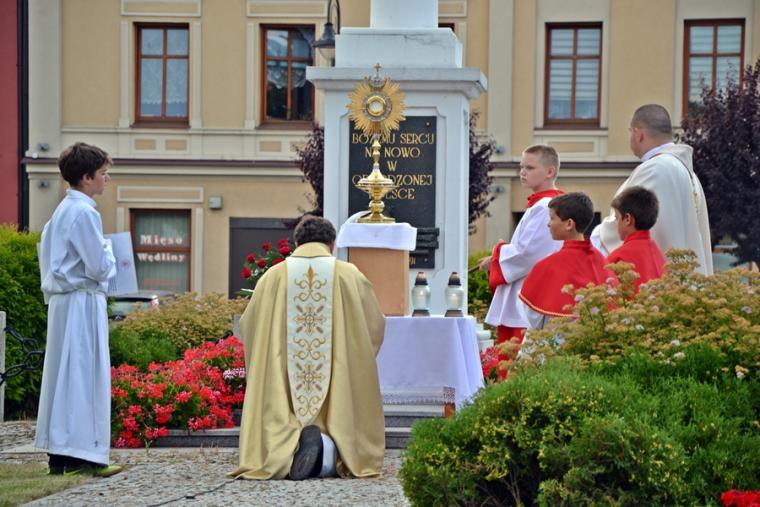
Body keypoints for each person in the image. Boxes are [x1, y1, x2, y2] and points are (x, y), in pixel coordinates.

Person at [230, 216, 386, 480]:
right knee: (338, 410)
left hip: (285, 381)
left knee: (282, 407)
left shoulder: (273, 277)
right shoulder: (349, 275)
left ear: (296, 243)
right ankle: (329, 448)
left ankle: (291, 447)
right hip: (336, 383)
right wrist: (354, 351)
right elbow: (373, 324)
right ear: (332, 244)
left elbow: (250, 326)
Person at [35, 142, 122, 477]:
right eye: (102, 173)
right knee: (84, 374)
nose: (106, 179)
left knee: (65, 375)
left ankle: (62, 454)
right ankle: (83, 454)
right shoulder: (85, 213)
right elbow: (100, 267)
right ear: (86, 177)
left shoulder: (60, 213)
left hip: (64, 302)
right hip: (82, 302)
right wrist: (109, 251)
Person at [591, 104, 712, 275]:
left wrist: (593, 238)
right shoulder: (688, 173)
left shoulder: (655, 170)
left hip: (658, 281)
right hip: (683, 280)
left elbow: (628, 220)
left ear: (638, 134)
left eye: (630, 132)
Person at [478, 145, 564, 351]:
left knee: (515, 358)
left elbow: (528, 254)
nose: (522, 172)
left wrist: (497, 256)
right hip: (524, 297)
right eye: (521, 167)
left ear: (550, 171)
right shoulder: (541, 205)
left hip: (526, 300)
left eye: (530, 168)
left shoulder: (546, 207)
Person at [519, 192, 610, 329]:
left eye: (552, 218)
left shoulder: (548, 265)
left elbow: (533, 317)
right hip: (595, 337)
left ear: (569, 224)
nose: (548, 224)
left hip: (556, 337)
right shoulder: (602, 261)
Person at [606, 186, 666, 291]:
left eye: (617, 218)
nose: (616, 224)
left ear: (627, 219)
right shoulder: (657, 252)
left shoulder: (617, 258)